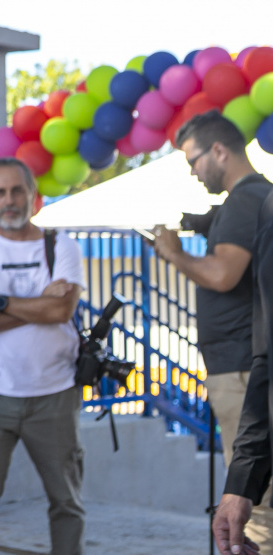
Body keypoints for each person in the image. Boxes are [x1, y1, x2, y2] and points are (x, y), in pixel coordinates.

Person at [0, 158, 86, 555]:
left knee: (67, 503)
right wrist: (37, 302)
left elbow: (60, 312)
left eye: (17, 191)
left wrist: (0, 301)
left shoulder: (61, 246)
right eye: (1, 192)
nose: (10, 200)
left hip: (55, 396)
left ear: (33, 196)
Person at [152, 111, 273, 554]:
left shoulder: (246, 200)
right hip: (242, 366)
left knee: (250, 501)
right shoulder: (253, 199)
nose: (193, 172)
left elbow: (223, 273)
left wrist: (172, 254)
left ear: (219, 150)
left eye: (194, 160)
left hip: (244, 371)